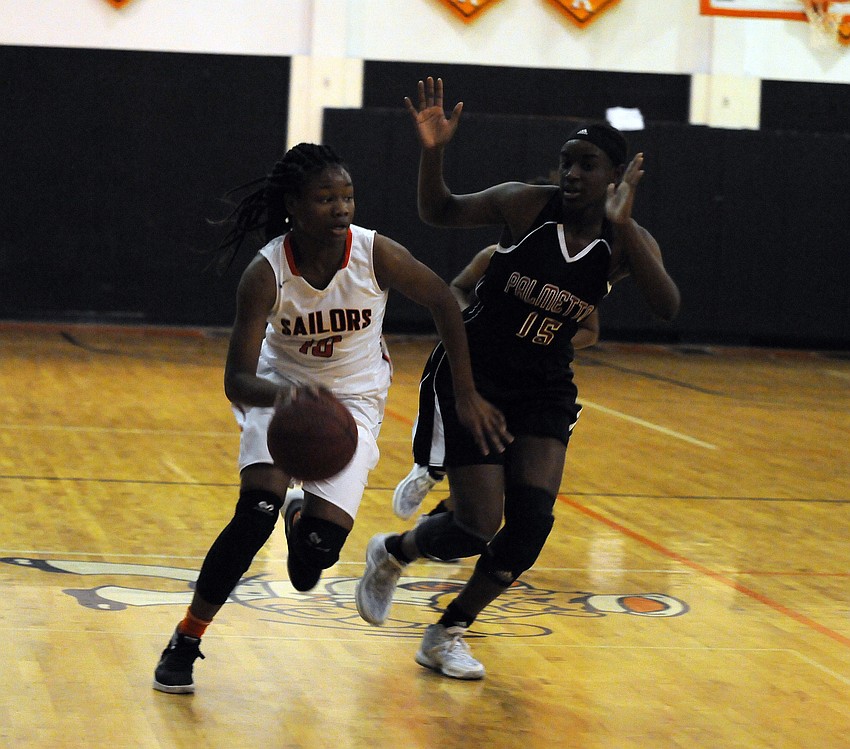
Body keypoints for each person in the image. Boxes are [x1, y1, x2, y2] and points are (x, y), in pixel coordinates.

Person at [152, 141, 509, 694]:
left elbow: (443, 300)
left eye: (347, 196)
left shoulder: (375, 254)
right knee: (253, 515)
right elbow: (237, 379)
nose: (342, 207)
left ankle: (305, 525)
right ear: (294, 205)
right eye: (325, 198)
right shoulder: (266, 273)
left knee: (314, 561)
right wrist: (286, 400)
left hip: (355, 402)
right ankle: (187, 638)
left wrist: (465, 390)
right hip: (283, 392)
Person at [355, 77, 680, 680]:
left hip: (544, 383)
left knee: (530, 526)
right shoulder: (526, 204)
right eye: (566, 163)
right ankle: (393, 553)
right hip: (475, 366)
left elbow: (668, 307)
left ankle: (447, 631)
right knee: (476, 528)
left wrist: (627, 226)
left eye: (587, 164)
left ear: (615, 177)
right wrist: (433, 152)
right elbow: (438, 210)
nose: (572, 174)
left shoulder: (625, 243)